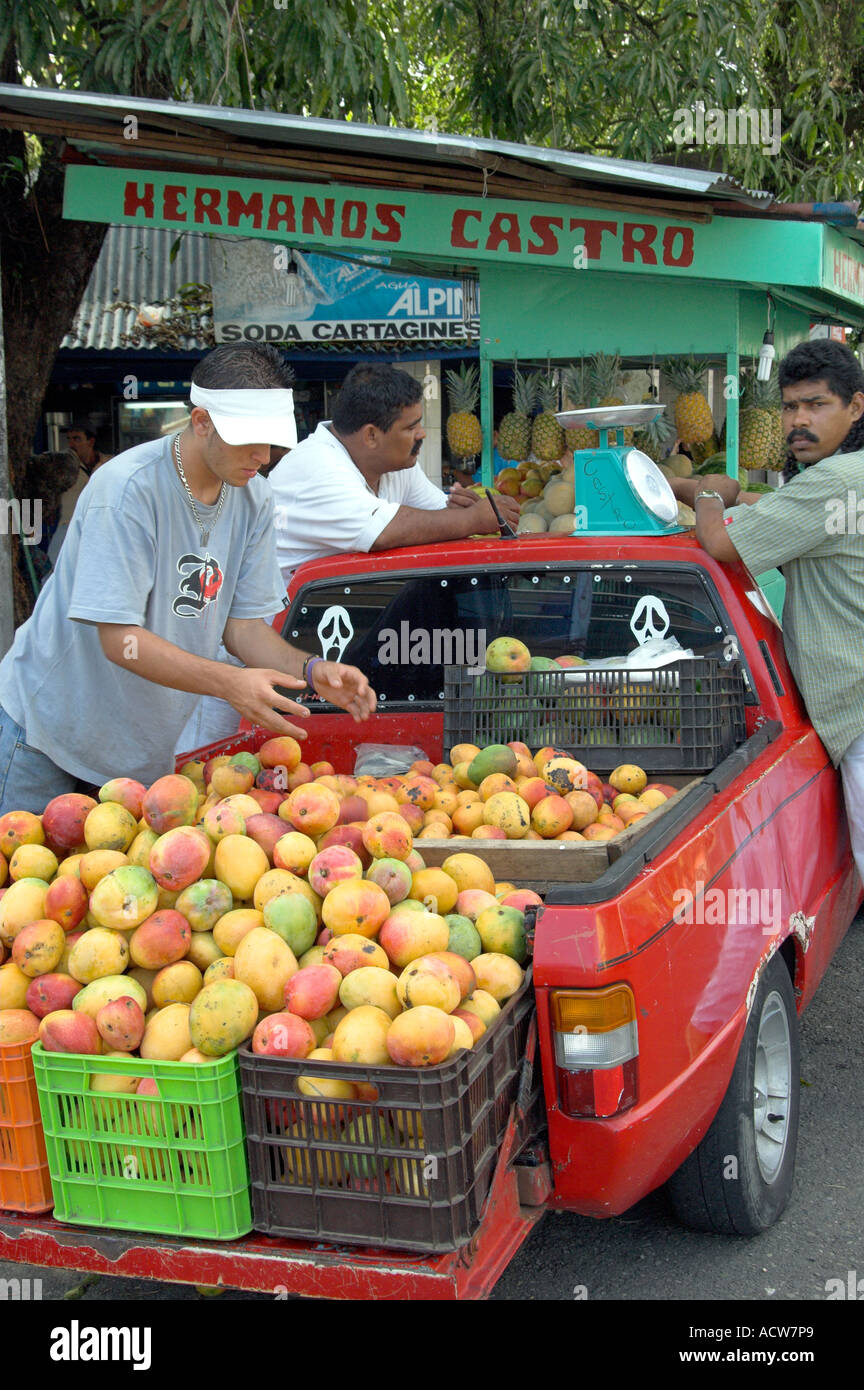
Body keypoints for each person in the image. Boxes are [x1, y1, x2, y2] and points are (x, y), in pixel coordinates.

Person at [0, 344, 375, 814]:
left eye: (273, 441)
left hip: (136, 756)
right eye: (249, 439)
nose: (263, 455)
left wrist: (312, 670)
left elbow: (242, 627)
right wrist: (228, 683)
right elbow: (121, 641)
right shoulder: (127, 491)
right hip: (48, 734)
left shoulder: (253, 497)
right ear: (202, 421)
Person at [669, 338, 864, 879]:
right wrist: (687, 488)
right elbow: (783, 510)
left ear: (856, 406)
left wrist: (709, 496)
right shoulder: (847, 476)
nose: (798, 420)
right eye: (789, 406)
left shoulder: (833, 480)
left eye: (817, 405)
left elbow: (722, 545)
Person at [268, 363, 520, 583]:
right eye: (411, 427)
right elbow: (383, 531)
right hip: (289, 625)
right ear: (371, 436)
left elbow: (439, 517)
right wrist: (472, 519)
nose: (422, 434)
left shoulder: (396, 465)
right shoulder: (315, 467)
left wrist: (462, 510)